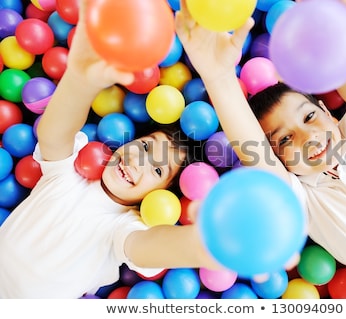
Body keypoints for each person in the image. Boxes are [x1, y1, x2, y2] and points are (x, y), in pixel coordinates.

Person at [175, 0, 346, 298]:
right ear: (277, 158)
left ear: (328, 112)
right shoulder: (302, 200)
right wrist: (219, 78)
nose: (307, 137)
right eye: (284, 140)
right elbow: (250, 145)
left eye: (309, 117)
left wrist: (332, 20)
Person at [0, 0, 220, 299]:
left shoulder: (123, 227)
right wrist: (78, 80)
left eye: (158, 170)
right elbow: (53, 135)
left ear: (162, 195)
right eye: (144, 146)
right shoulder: (70, 174)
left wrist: (213, 248)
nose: (139, 162)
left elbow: (150, 248)